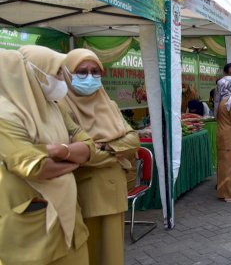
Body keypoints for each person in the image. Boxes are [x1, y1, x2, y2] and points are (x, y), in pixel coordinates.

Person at [0, 46, 93, 265]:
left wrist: (61, 151)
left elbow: (88, 145)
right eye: (58, 73)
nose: (63, 79)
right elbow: (36, 167)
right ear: (33, 74)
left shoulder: (54, 107)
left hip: (69, 218)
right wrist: (73, 158)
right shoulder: (5, 116)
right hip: (32, 228)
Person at [60, 48, 140, 265]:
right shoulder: (61, 106)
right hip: (83, 191)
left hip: (115, 190)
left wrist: (103, 147)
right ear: (67, 73)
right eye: (82, 71)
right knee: (89, 253)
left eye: (95, 71)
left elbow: (134, 141)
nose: (90, 77)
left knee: (113, 254)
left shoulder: (109, 104)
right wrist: (114, 151)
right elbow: (77, 152)